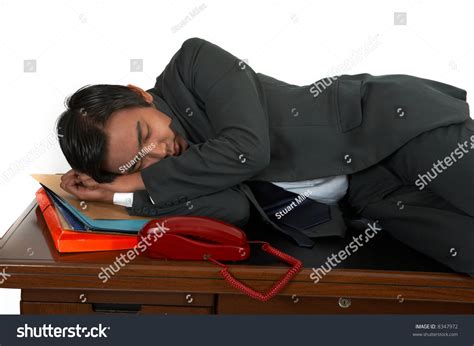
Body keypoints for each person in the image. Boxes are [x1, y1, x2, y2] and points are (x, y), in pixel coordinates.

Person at [56, 37, 473, 276]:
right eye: (137, 162)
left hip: (389, 125)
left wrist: (136, 179)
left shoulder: (194, 62)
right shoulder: (177, 173)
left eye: (146, 133)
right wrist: (114, 197)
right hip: (369, 193)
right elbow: (233, 208)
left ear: (138, 94)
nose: (159, 152)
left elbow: (247, 151)